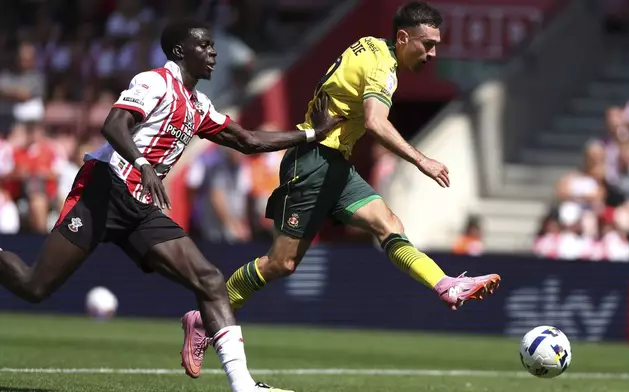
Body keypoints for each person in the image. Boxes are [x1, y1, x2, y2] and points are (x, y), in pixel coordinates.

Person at [0, 18, 343, 392]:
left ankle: (243, 385)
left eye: (213, 46)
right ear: (181, 51)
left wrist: (312, 133)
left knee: (210, 279)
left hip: (142, 206)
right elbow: (114, 124)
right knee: (34, 287)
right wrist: (144, 165)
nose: (214, 53)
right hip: (103, 191)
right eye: (205, 46)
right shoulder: (154, 82)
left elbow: (247, 139)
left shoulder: (198, 104)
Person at [181, 1, 501, 379]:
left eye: (435, 45)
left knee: (389, 224)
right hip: (313, 161)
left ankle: (444, 284)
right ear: (402, 37)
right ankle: (203, 318)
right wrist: (422, 160)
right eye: (426, 44)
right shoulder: (383, 67)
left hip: (335, 164)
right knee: (281, 263)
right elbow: (375, 122)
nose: (432, 53)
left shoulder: (371, 45)